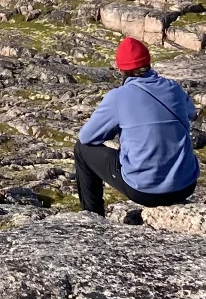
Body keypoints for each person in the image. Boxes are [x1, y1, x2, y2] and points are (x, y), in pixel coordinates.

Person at [75, 36, 199, 214]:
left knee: (81, 149)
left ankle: (92, 217)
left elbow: (86, 137)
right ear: (148, 62)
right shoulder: (173, 87)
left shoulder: (118, 96)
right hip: (186, 186)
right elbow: (190, 112)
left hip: (143, 191)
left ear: (120, 69)